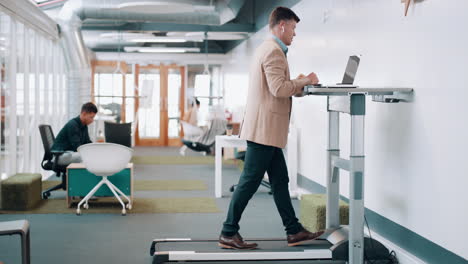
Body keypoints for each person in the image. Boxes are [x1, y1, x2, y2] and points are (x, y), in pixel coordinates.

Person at [218, 6, 324, 250]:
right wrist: (305, 81)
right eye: (294, 28)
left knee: (279, 180)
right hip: (264, 130)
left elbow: (276, 88)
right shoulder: (274, 51)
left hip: (267, 129)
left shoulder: (268, 49)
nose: (295, 34)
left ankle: (293, 230)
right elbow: (279, 89)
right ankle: (228, 231)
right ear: (283, 25)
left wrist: (297, 85)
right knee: (249, 181)